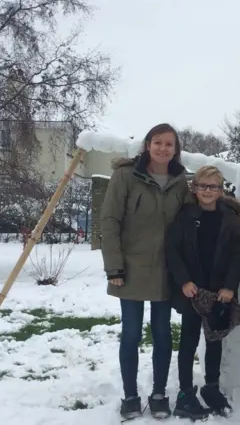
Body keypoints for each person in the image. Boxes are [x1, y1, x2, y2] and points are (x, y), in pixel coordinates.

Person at [100, 123, 190, 420]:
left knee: (163, 334)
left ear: (176, 150)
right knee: (131, 334)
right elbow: (110, 221)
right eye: (158, 142)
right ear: (147, 145)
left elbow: (194, 217)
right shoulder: (126, 176)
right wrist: (114, 266)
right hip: (131, 268)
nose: (163, 148)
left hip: (166, 270)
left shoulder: (180, 181)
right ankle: (129, 395)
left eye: (169, 144)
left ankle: (160, 393)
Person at [166, 166, 240, 420]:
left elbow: (238, 255)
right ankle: (185, 393)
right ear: (195, 188)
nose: (207, 191)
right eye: (202, 186)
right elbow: (172, 251)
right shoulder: (185, 216)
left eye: (213, 187)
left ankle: (211, 387)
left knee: (214, 340)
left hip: (218, 292)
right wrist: (184, 281)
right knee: (189, 341)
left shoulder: (230, 218)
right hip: (192, 291)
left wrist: (230, 286)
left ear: (221, 190)